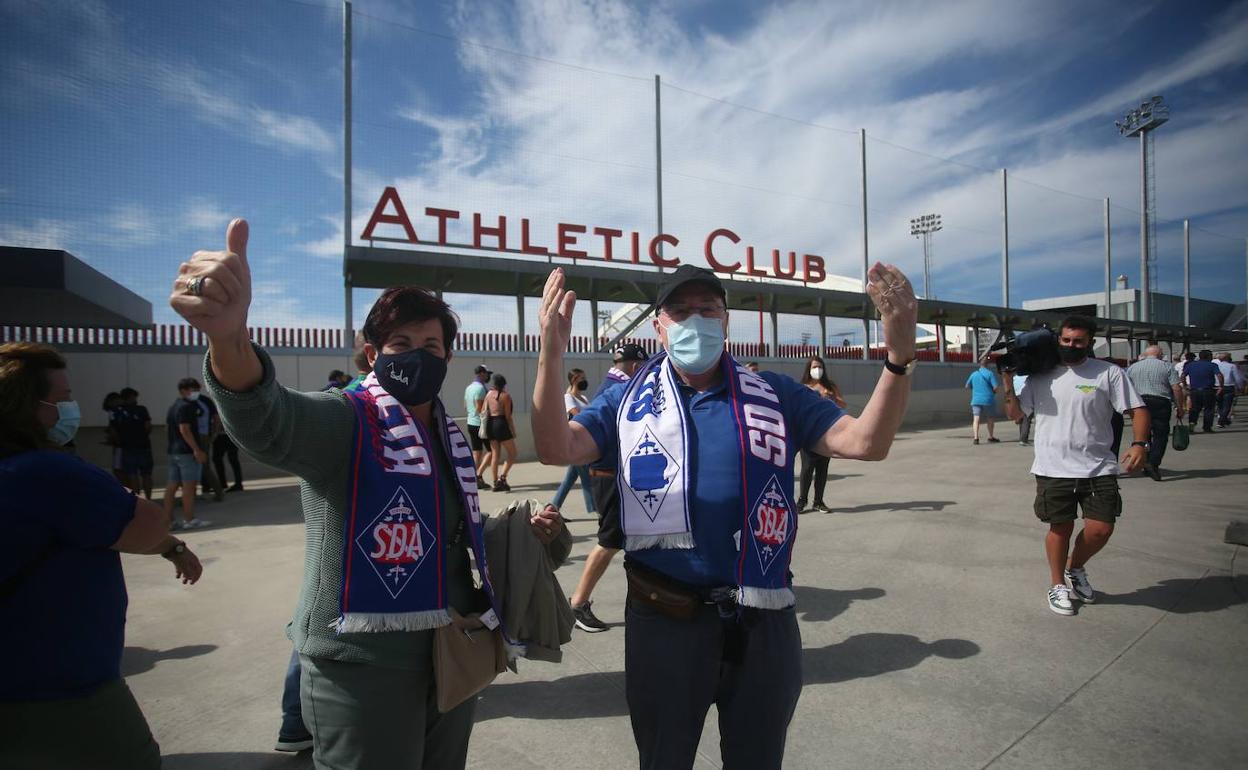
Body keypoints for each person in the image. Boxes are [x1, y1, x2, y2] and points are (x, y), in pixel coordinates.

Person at [170, 218, 562, 770]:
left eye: (432, 344)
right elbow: (269, 421)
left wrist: (520, 534)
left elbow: (445, 533)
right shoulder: (348, 418)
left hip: (450, 652)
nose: (418, 355)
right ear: (372, 353)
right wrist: (228, 338)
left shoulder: (445, 436)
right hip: (362, 665)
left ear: (449, 357)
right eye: (401, 343)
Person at [532, 262, 917, 768]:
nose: (695, 320)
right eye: (681, 310)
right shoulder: (625, 398)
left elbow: (868, 443)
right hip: (665, 618)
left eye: (708, 309)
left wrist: (899, 357)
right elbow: (556, 447)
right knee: (664, 757)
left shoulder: (775, 393)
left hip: (764, 618)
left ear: (726, 321)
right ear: (658, 326)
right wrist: (551, 355)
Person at [0, 342, 203, 770]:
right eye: (58, 400)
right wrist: (172, 544)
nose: (68, 410)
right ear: (23, 406)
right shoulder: (46, 472)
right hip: (59, 686)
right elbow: (147, 523)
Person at [1001, 315, 1147, 617]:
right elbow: (1016, 415)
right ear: (1059, 340)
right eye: (1066, 340)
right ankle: (1057, 585)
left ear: (1090, 342)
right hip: (1053, 468)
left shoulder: (1109, 373)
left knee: (1101, 529)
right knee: (1061, 528)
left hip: (1098, 466)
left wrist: (1139, 444)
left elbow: (1138, 410)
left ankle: (1075, 567)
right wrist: (1006, 378)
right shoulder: (1040, 376)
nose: (1071, 345)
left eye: (1078, 341)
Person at [565, 343, 649, 633]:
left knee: (625, 540)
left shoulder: (612, 385)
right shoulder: (616, 391)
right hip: (609, 474)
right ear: (637, 366)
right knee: (609, 541)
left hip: (611, 473)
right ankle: (578, 602)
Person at [796, 356, 848, 512]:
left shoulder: (829, 386)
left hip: (827, 432)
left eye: (820, 366)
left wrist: (831, 397)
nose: (817, 370)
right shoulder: (804, 387)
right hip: (809, 433)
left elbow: (842, 403)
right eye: (814, 367)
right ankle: (801, 501)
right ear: (808, 369)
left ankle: (818, 501)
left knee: (822, 469)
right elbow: (798, 407)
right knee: (807, 469)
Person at [1125, 346, 1184, 481]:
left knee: (1143, 434)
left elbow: (1127, 387)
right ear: (1160, 354)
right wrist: (1180, 407)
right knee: (1160, 434)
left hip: (1139, 403)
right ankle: (1153, 462)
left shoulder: (1133, 367)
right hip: (1160, 401)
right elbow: (1176, 387)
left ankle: (1145, 460)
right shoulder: (1167, 366)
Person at [164, 378, 212, 530]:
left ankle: (168, 520)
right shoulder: (187, 407)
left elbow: (168, 428)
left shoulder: (174, 406)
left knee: (171, 486)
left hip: (174, 451)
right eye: (194, 390)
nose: (196, 393)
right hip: (186, 452)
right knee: (189, 487)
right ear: (184, 390)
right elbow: (184, 429)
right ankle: (189, 518)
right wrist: (197, 449)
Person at [550, 368, 595, 515]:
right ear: (574, 380)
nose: (585, 380)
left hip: (585, 441)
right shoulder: (568, 397)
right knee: (587, 479)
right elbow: (577, 415)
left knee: (569, 480)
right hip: (576, 443)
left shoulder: (584, 398)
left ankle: (553, 507)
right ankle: (595, 509)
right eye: (581, 378)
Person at [113, 387, 155, 498]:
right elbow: (148, 426)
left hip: (127, 446)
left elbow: (114, 430)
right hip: (143, 445)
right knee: (146, 474)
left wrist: (119, 441)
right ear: (133, 397)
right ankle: (148, 498)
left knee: (132, 474)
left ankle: (137, 499)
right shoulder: (141, 409)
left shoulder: (117, 411)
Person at [479, 373, 517, 492]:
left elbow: (483, 410)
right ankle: (503, 477)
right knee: (513, 453)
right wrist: (513, 430)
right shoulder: (506, 396)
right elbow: (508, 416)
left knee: (495, 454)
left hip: (490, 424)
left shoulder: (489, 394)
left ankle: (495, 481)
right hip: (501, 423)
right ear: (504, 384)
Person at [1182, 349, 1223, 433]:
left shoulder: (1191, 365)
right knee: (1209, 409)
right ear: (1208, 356)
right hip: (1208, 390)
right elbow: (1219, 375)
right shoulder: (1212, 365)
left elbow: (1183, 376)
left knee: (1194, 409)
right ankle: (1207, 427)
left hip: (1194, 390)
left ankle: (1192, 425)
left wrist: (1185, 386)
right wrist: (1221, 386)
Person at [463, 363, 491, 482]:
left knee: (476, 452)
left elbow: (465, 405)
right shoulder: (480, 388)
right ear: (482, 374)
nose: (488, 377)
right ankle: (479, 474)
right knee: (492, 451)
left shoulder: (469, 387)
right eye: (487, 374)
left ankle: (474, 478)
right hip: (481, 424)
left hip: (471, 422)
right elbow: (480, 408)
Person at [965, 356, 1000, 444]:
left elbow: (967, 386)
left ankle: (976, 438)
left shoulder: (974, 374)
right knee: (990, 418)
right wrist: (993, 392)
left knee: (976, 418)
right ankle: (991, 437)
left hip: (976, 400)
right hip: (988, 399)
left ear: (980, 364)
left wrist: (975, 389)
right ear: (987, 364)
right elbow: (996, 387)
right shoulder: (990, 374)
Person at [1214, 352, 1244, 427]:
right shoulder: (1232, 366)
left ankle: (1225, 420)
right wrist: (1240, 387)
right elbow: (1238, 378)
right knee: (1227, 405)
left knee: (1220, 405)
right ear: (1228, 358)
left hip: (1217, 387)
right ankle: (1221, 421)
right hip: (1229, 386)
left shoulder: (1215, 366)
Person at [1012, 373, 1033, 445]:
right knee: (1027, 420)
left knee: (1022, 419)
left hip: (1017, 400)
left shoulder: (1014, 378)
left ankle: (1021, 437)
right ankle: (1023, 439)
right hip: (1027, 401)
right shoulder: (1027, 378)